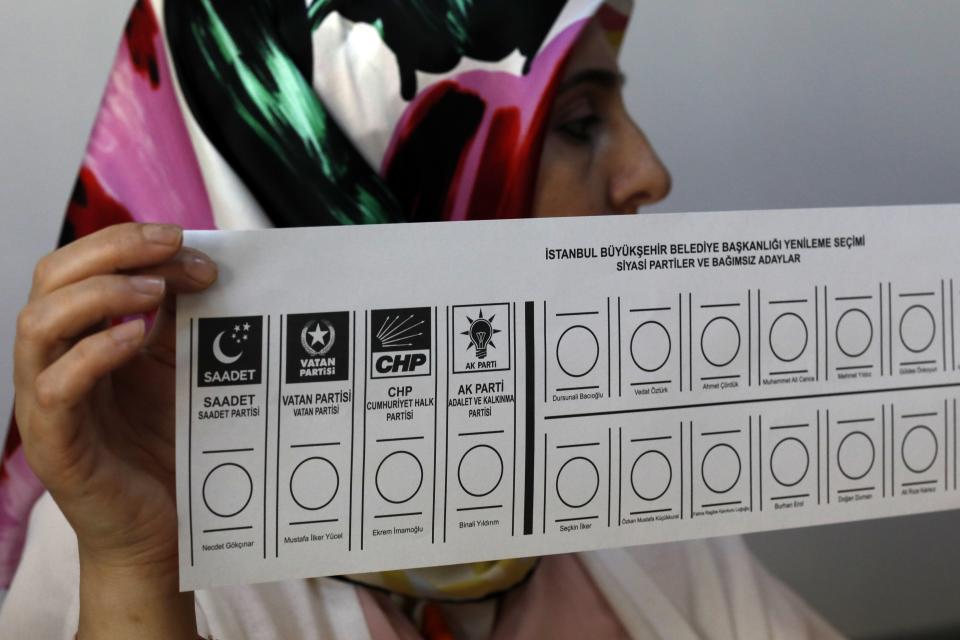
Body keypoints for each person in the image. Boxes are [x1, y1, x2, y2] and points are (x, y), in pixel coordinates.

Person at [1, 0, 842, 637]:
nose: (650, 174)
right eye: (580, 122)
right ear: (370, 184)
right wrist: (138, 576)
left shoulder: (605, 481)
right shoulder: (124, 555)